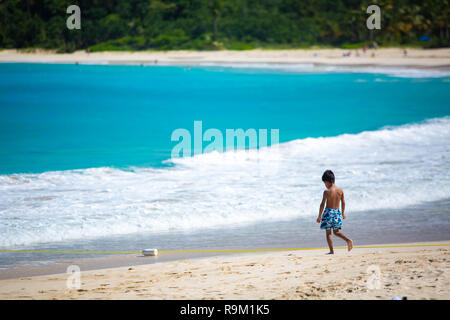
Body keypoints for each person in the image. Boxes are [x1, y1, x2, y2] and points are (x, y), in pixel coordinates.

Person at [316, 170, 353, 254]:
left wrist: (319, 216)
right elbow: (343, 202)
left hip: (328, 213)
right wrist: (343, 213)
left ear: (327, 181)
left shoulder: (327, 192)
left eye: (324, 183)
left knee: (328, 233)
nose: (325, 185)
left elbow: (322, 204)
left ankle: (331, 251)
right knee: (336, 232)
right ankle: (348, 240)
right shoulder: (340, 190)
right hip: (337, 213)